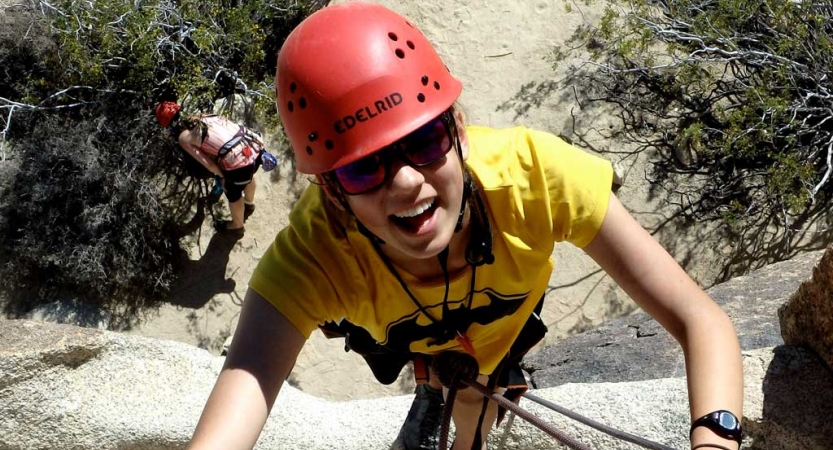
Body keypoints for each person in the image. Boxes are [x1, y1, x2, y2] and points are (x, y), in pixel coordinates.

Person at [187, 3, 743, 450]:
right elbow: (235, 407)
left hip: (488, 342)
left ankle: (445, 400)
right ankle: (431, 377)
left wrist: (715, 440)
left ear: (458, 130)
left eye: (425, 141)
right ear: (331, 190)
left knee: (476, 402)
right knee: (446, 370)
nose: (405, 183)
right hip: (429, 330)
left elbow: (700, 319)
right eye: (362, 168)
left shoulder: (538, 180)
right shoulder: (313, 255)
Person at [155, 101, 263, 235]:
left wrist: (224, 177)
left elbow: (209, 165)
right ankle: (249, 203)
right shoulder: (203, 116)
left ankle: (237, 225)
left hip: (238, 164)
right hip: (254, 146)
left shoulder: (184, 137)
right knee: (249, 175)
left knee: (233, 193)